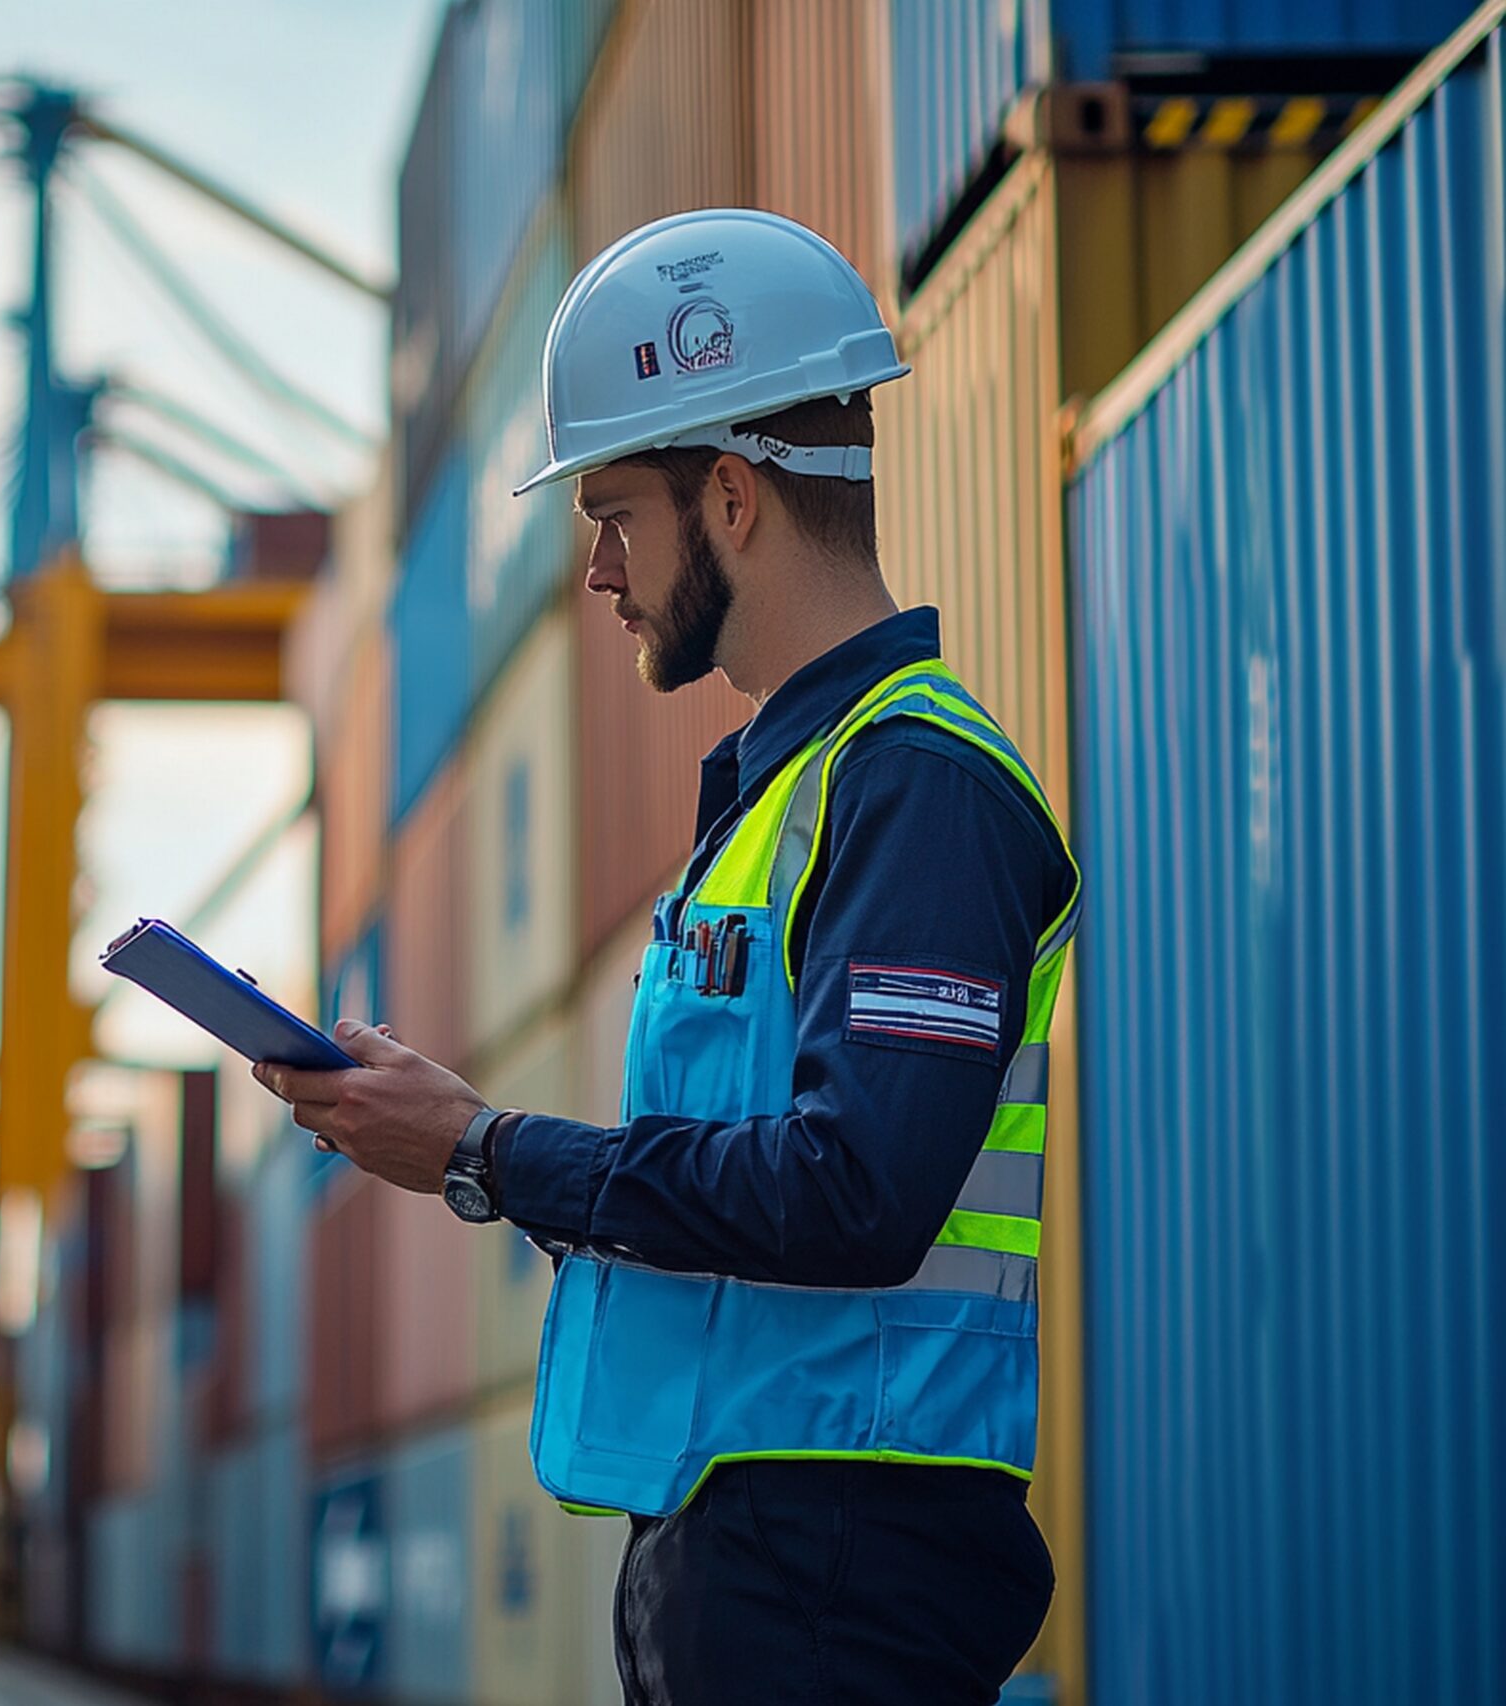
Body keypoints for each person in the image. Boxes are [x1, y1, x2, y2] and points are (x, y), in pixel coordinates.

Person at [255, 208, 1079, 1706]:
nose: (598, 573)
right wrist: (467, 1134)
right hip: (753, 1551)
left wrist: (487, 1151)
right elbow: (731, 1183)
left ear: (733, 496)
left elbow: (854, 1193)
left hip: (842, 1558)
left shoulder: (919, 788)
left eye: (614, 515)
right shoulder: (791, 791)